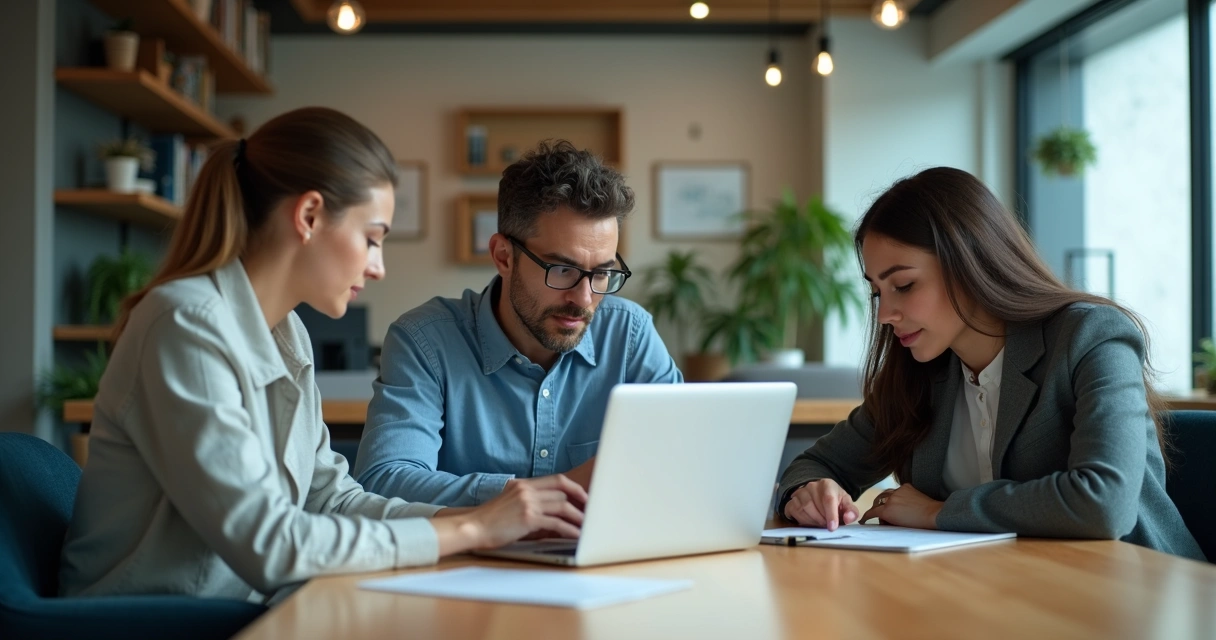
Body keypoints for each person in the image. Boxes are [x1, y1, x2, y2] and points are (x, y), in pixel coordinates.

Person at [59, 108, 587, 603]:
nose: (378, 267)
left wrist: (494, 523)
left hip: (247, 610)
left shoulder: (286, 332)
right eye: (372, 238)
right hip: (153, 621)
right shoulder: (184, 324)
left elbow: (332, 499)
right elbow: (270, 545)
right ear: (309, 215)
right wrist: (472, 528)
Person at [777, 167, 1204, 561]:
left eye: (903, 285)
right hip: (996, 589)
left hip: (1132, 589)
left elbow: (1104, 503)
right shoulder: (918, 374)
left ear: (969, 263)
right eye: (877, 292)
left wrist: (938, 512)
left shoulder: (1090, 337)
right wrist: (811, 492)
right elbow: (813, 466)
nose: (885, 314)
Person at [354, 140, 682, 507]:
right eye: (563, 270)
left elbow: (686, 459)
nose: (584, 299)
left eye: (602, 273)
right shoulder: (425, 341)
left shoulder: (630, 335)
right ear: (503, 256)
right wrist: (537, 496)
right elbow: (384, 480)